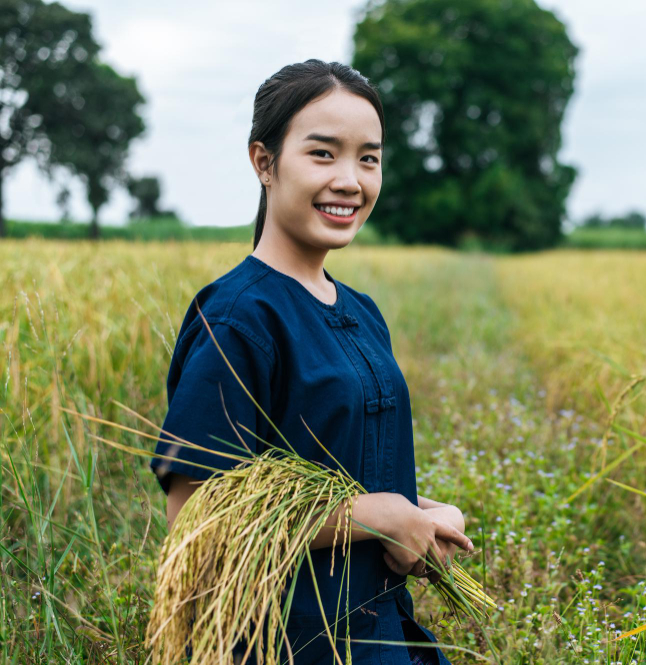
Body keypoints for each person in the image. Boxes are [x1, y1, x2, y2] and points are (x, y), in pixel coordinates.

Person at [148, 59, 472, 665]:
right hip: (286, 642)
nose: (350, 179)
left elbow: (346, 471)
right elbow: (196, 519)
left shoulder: (363, 311)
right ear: (263, 162)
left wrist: (423, 516)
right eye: (323, 154)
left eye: (368, 158)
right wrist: (373, 518)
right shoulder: (239, 318)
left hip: (381, 633)